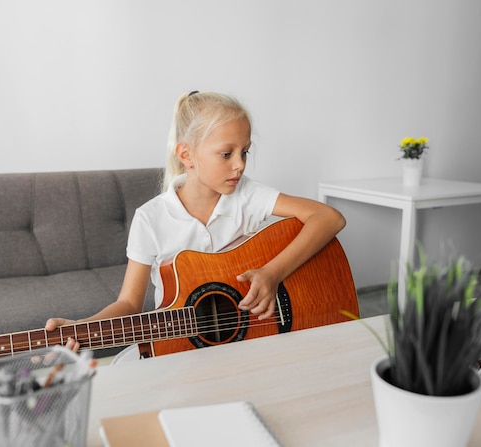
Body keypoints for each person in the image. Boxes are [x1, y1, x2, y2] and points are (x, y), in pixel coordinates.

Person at [45, 91, 346, 358]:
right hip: (179, 349)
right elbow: (128, 304)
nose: (240, 164)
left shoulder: (247, 195)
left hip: (251, 342)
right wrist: (81, 328)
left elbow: (330, 218)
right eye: (226, 154)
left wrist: (272, 273)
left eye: (245, 152)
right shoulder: (150, 218)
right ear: (187, 155)